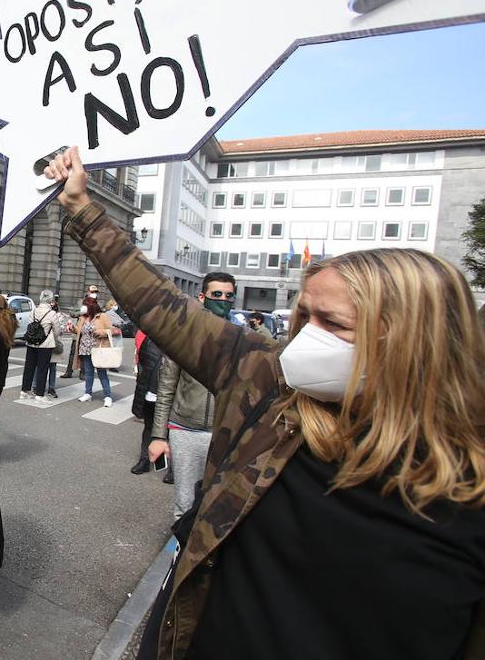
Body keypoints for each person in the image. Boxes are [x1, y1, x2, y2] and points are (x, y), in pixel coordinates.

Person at [47, 147, 485, 660]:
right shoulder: (265, 377)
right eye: (304, 318)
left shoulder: (465, 491)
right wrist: (80, 206)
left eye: (335, 325)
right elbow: (157, 302)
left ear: (417, 342)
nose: (304, 341)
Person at [147, 272, 236, 518]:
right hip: (186, 430)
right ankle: (182, 552)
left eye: (229, 295)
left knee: (218, 506)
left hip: (225, 434)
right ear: (202, 296)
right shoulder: (183, 337)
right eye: (216, 294)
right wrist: (158, 436)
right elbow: (166, 389)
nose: (223, 299)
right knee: (185, 504)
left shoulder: (241, 340)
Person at [130, 330, 166, 475]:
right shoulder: (148, 335)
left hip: (169, 392)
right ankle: (145, 460)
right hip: (150, 388)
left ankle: (164, 465)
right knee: (150, 426)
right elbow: (142, 363)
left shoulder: (180, 339)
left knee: (168, 429)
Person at [75, 300, 119, 406]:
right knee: (89, 373)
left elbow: (113, 330)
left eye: (85, 306)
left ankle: (107, 396)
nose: (83, 308)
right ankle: (88, 393)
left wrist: (100, 332)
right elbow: (79, 331)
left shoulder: (102, 316)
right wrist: (73, 329)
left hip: (98, 349)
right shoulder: (83, 317)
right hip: (85, 348)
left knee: (102, 373)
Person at [19, 290, 60, 401]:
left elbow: (30, 325)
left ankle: (24, 391)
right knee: (42, 368)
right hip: (45, 344)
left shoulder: (33, 311)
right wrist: (53, 339)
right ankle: (39, 394)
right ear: (51, 300)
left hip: (31, 342)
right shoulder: (52, 314)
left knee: (29, 367)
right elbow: (57, 331)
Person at [43, 295, 64, 399]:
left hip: (54, 343)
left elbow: (60, 329)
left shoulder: (59, 315)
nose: (52, 304)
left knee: (52, 367)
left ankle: (51, 388)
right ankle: (37, 386)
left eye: (53, 303)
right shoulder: (44, 312)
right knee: (41, 366)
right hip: (45, 342)